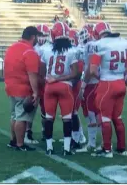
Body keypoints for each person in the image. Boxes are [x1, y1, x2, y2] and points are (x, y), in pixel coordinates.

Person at [89, 22, 127, 158]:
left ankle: (107, 149)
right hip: (120, 83)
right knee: (118, 117)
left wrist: (101, 76)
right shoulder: (123, 42)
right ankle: (122, 148)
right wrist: (121, 71)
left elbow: (92, 70)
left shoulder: (99, 44)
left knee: (105, 119)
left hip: (107, 84)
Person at [41, 21, 79, 155]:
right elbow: (75, 73)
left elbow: (41, 72)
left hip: (49, 87)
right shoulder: (72, 50)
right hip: (65, 87)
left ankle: (49, 147)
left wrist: (52, 79)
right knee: (67, 117)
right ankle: (67, 148)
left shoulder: (45, 50)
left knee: (49, 117)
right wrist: (60, 78)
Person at [4, 26, 41, 151]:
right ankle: (20, 144)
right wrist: (36, 92)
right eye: (37, 36)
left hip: (10, 86)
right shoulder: (30, 52)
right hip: (22, 88)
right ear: (33, 37)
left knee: (14, 115)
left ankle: (13, 141)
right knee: (22, 117)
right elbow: (32, 74)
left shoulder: (12, 48)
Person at [76, 24, 102, 153]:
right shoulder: (98, 44)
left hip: (92, 83)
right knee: (94, 113)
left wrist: (83, 85)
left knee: (93, 113)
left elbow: (90, 68)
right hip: (96, 82)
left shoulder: (90, 46)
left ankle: (93, 144)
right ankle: (101, 143)